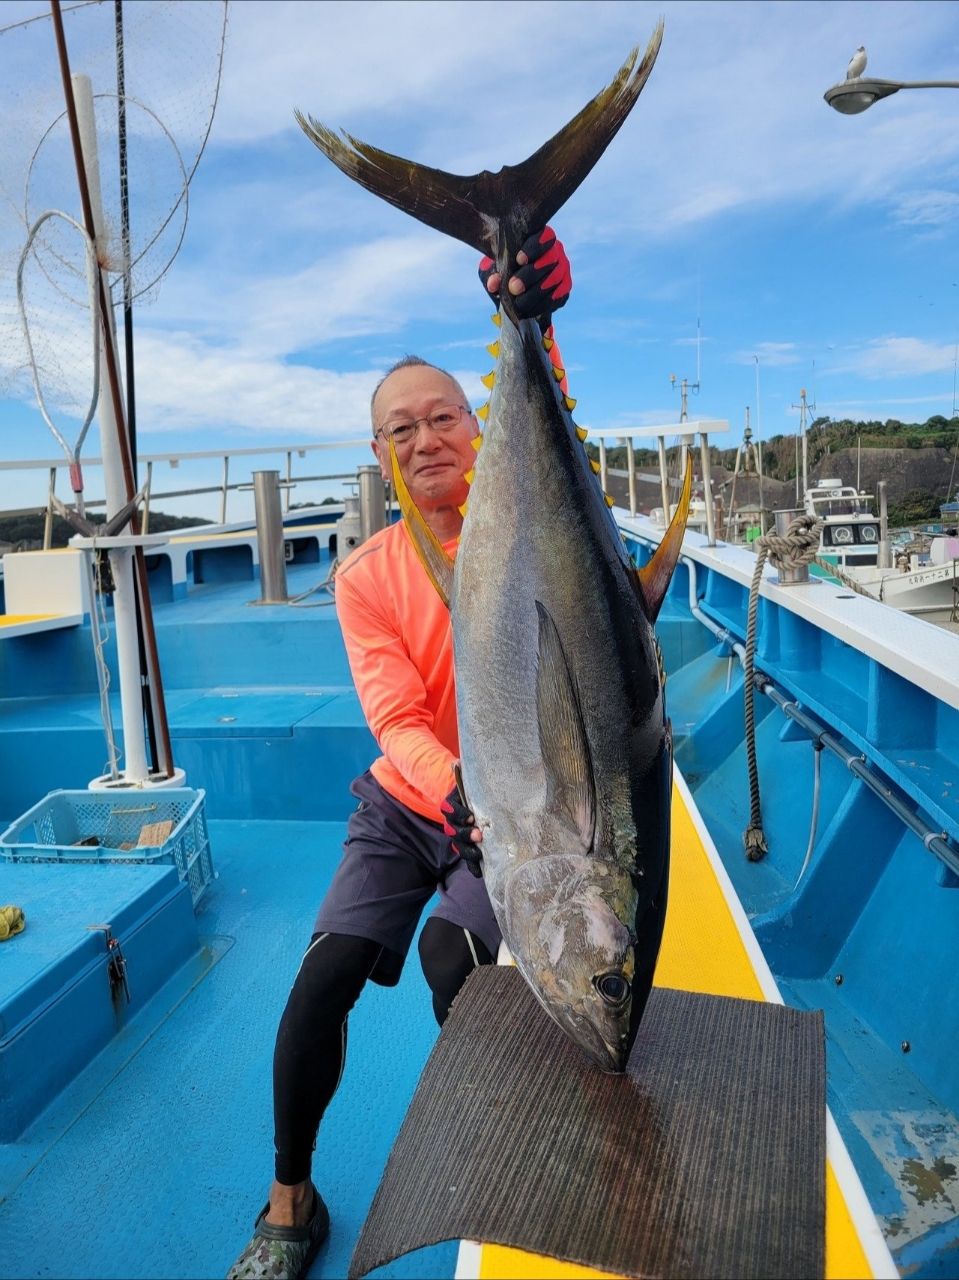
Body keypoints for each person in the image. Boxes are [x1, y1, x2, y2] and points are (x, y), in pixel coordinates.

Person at [227, 228, 571, 1280]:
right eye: (397, 430)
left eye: (441, 417)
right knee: (317, 982)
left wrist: (536, 320)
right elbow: (391, 712)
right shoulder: (366, 573)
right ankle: (292, 1192)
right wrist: (450, 783)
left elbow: (553, 432)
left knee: (451, 961)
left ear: (477, 426)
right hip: (415, 796)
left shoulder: (532, 533)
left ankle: (513, 1152)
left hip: (517, 803)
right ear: (378, 454)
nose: (422, 439)